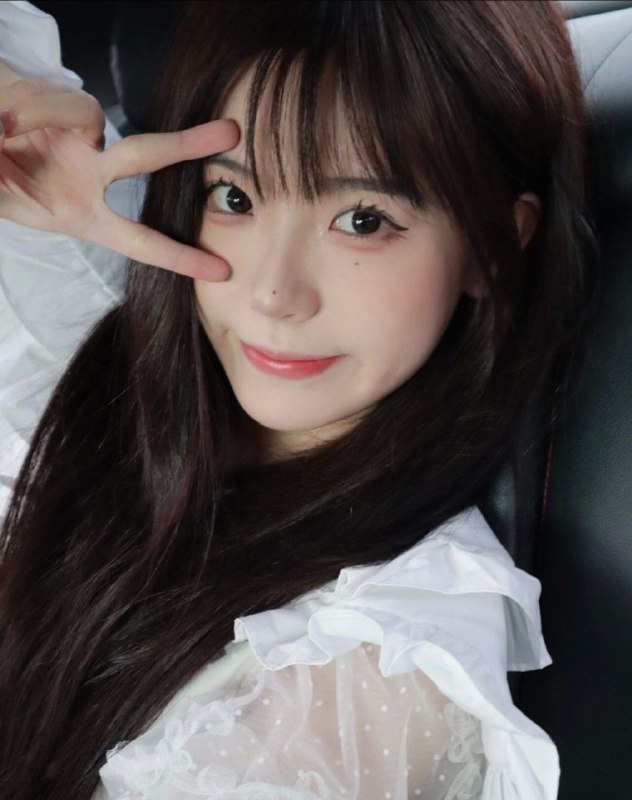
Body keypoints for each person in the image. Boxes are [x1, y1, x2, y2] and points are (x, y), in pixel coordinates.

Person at [0, 1, 597, 798]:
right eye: (235, 198)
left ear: (492, 247)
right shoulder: (112, 359)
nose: (274, 293)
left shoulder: (377, 655)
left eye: (363, 219)